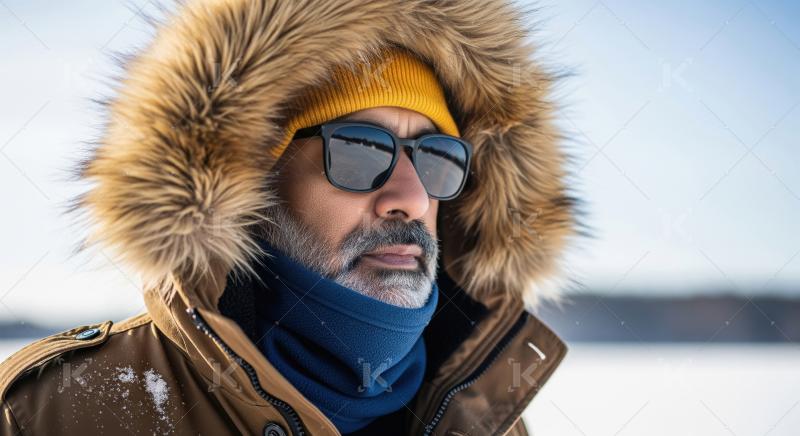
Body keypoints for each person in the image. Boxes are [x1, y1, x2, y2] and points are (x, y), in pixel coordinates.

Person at [0, 1, 584, 434]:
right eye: (359, 150)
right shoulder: (58, 410)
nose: (409, 197)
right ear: (253, 181)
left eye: (436, 158)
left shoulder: (490, 419)